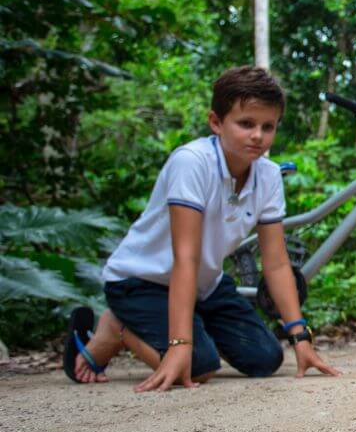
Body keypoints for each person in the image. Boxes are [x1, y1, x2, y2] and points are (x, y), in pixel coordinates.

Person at [65, 66, 340, 391]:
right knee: (198, 367)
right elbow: (186, 258)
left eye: (268, 127)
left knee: (265, 359)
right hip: (142, 282)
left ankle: (190, 329)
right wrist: (180, 344)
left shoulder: (267, 175)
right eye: (246, 124)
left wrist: (301, 337)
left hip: (203, 285)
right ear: (216, 122)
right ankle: (116, 329)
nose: (258, 136)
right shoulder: (191, 163)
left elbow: (277, 264)